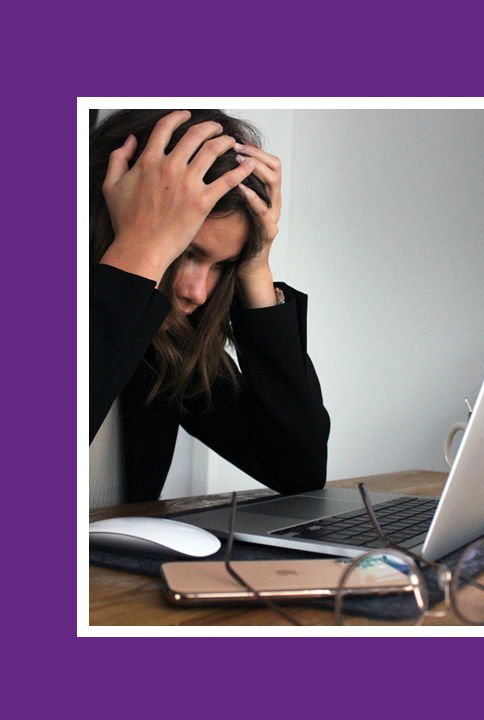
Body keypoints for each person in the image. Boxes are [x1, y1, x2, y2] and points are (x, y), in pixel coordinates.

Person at [89, 109, 329, 503]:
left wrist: (254, 268)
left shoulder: (167, 350)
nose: (198, 293)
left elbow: (298, 469)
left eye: (221, 265)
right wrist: (141, 247)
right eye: (184, 250)